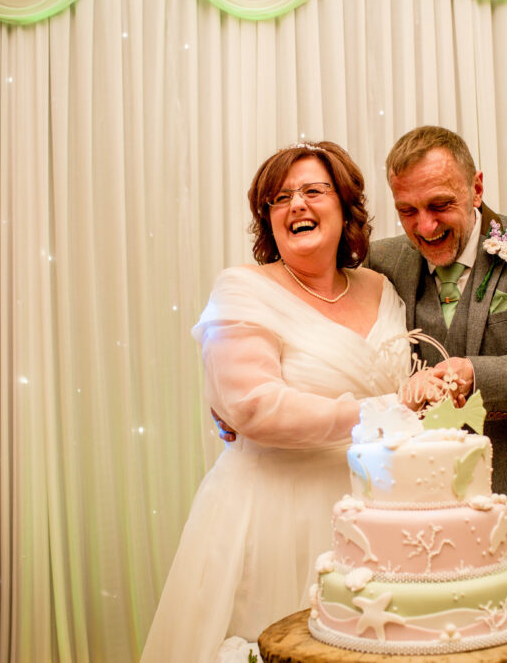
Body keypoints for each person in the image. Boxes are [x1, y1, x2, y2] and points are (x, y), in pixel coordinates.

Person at [141, 141, 420, 662]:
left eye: (314, 191)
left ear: (345, 206)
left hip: (373, 510)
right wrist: (381, 414)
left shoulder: (382, 286)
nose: (297, 205)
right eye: (280, 198)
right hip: (273, 513)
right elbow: (253, 407)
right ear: (266, 219)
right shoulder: (242, 289)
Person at [365, 125, 507, 611]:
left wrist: (478, 375)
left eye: (439, 206)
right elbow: (318, 303)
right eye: (407, 211)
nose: (424, 227)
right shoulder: (381, 260)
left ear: (476, 187)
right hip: (423, 516)